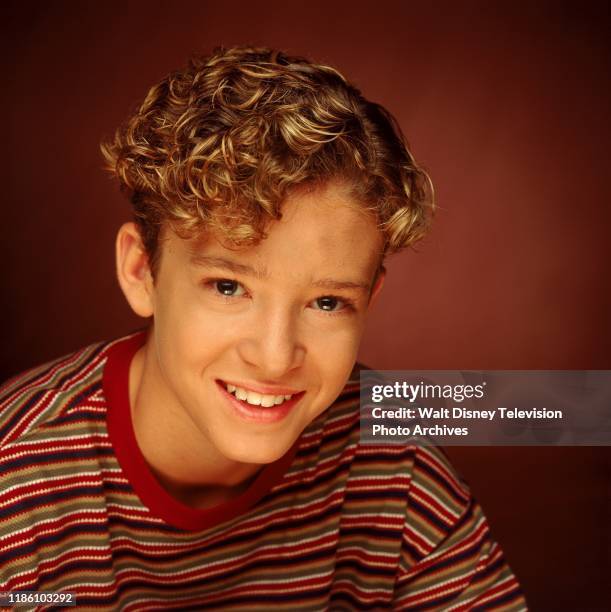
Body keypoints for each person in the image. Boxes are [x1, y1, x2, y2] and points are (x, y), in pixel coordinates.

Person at [0, 47, 526, 610]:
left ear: (369, 300)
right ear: (141, 271)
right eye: (228, 287)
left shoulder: (400, 474)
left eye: (326, 302)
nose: (275, 358)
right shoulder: (17, 493)